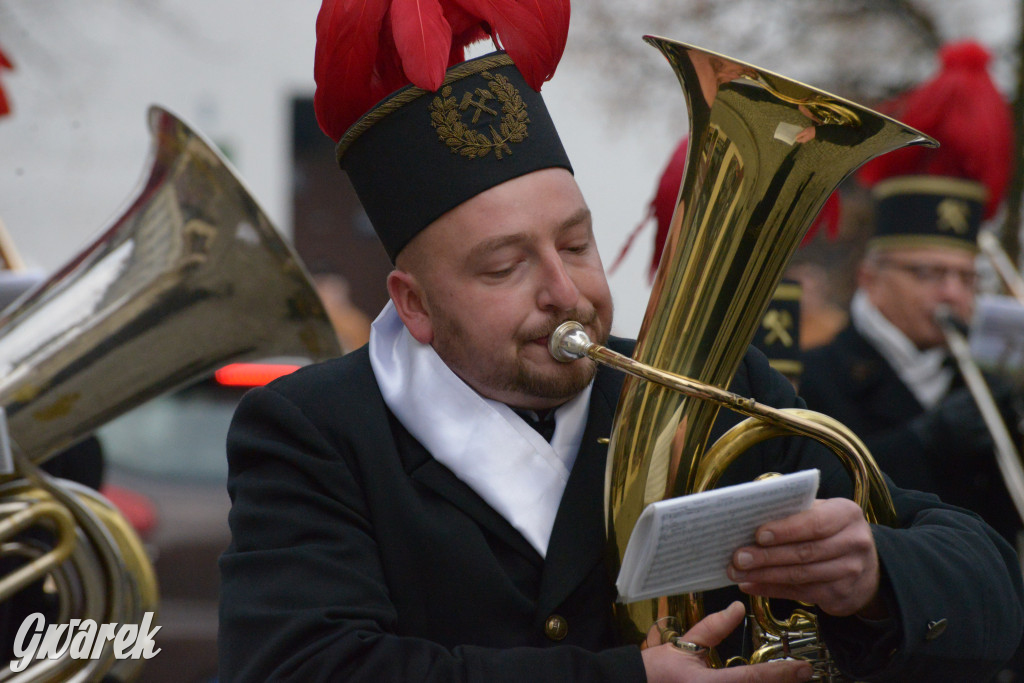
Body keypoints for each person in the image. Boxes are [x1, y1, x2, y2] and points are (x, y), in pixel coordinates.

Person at [218, 9, 1024, 682]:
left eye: (576, 246)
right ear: (416, 306)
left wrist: (876, 572)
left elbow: (987, 578)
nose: (566, 293)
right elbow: (300, 664)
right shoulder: (315, 429)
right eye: (504, 266)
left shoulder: (705, 386)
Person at [799, 41, 1024, 549]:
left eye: (967, 278)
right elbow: (813, 496)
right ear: (871, 277)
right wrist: (924, 443)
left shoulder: (988, 379)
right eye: (929, 273)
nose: (952, 293)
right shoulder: (813, 377)